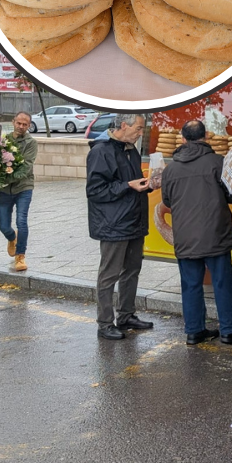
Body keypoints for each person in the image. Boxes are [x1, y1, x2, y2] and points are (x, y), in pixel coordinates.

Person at [160, 120, 232, 346]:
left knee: (190, 284)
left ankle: (194, 331)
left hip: (185, 236)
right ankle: (229, 330)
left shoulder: (171, 169)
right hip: (215, 233)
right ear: (206, 136)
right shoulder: (218, 162)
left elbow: (167, 201)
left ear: (182, 139)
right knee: (222, 283)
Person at [86, 113, 155, 341]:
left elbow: (131, 183)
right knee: (109, 275)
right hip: (113, 224)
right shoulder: (100, 151)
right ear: (123, 125)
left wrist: (148, 184)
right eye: (138, 128)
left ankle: (126, 315)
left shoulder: (130, 148)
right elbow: (95, 191)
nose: (140, 133)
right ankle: (105, 323)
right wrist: (128, 186)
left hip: (133, 220)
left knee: (132, 271)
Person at [0, 111, 36, 273]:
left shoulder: (31, 143)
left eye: (25, 124)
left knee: (21, 221)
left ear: (29, 126)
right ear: (13, 122)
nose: (21, 126)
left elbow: (26, 167)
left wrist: (4, 178)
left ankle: (20, 256)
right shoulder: (2, 141)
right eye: (19, 123)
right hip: (3, 190)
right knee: (4, 226)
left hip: (23, 188)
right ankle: (12, 238)